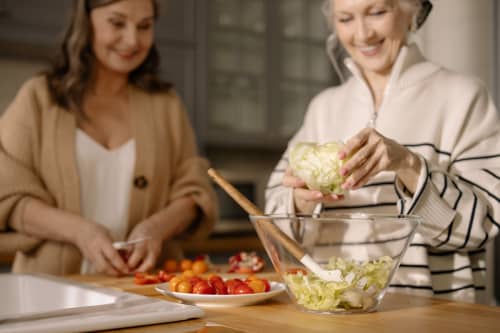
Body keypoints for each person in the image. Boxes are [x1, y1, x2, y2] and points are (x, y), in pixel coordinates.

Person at [266, 0, 500, 304]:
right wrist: (299, 202)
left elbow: (480, 227)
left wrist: (409, 166)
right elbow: (272, 228)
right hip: (336, 313)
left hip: (433, 316)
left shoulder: (462, 95)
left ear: (411, 11)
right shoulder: (323, 107)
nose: (362, 34)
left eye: (377, 12)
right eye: (346, 18)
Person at [0, 0, 217, 276]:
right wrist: (81, 232)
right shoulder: (39, 97)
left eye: (144, 26)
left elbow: (194, 193)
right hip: (48, 291)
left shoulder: (167, 104)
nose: (132, 40)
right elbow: (6, 193)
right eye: (117, 23)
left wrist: (156, 228)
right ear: (86, 21)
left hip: (149, 294)